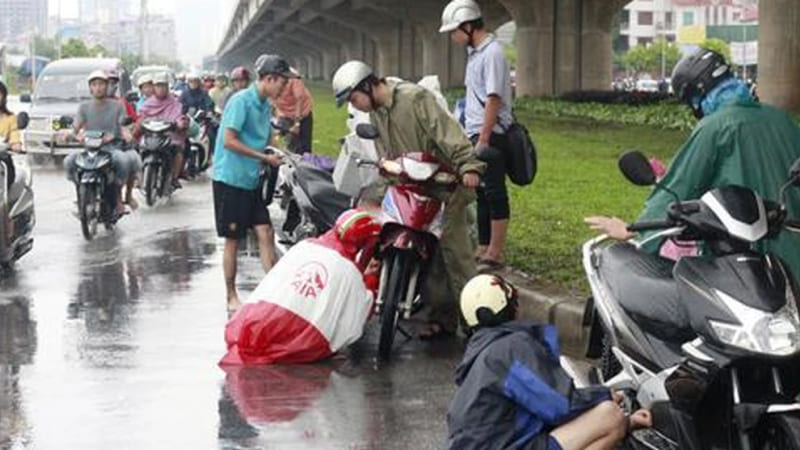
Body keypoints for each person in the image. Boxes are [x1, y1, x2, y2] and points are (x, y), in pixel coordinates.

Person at [585, 48, 800, 285]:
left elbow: (681, 184)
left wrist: (637, 232)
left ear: (697, 95)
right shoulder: (782, 120)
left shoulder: (714, 128)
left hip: (745, 263)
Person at [332, 60, 484, 339]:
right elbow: (386, 154)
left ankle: (477, 323)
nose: (356, 106)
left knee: (455, 254)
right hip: (412, 185)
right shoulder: (376, 114)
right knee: (430, 255)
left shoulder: (414, 98)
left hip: (445, 185)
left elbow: (448, 134)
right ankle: (443, 319)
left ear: (367, 85)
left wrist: (468, 166)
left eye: (354, 99)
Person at [447, 274, 652, 450]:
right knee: (610, 416)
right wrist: (607, 396)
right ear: (511, 306)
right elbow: (560, 405)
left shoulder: (482, 354)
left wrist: (629, 422)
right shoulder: (510, 347)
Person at [220, 209, 380, 365]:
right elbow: (357, 313)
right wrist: (371, 279)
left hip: (255, 321)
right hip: (296, 333)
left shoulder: (304, 246)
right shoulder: (348, 271)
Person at [212, 54, 292, 312]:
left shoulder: (264, 105)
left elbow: (268, 137)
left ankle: (274, 291)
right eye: (282, 82)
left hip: (251, 179)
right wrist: (263, 158)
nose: (284, 87)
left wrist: (281, 153)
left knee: (265, 231)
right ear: (269, 79)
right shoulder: (241, 101)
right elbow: (229, 141)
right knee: (233, 239)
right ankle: (230, 295)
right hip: (231, 179)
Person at [440, 0, 514, 271]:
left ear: (469, 26)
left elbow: (493, 99)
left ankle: (495, 252)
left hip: (491, 135)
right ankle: (483, 247)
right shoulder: (476, 54)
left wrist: (483, 139)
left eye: (454, 31)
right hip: (475, 133)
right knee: (481, 193)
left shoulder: (492, 52)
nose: (452, 37)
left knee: (495, 193)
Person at [63, 70, 137, 215]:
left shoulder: (118, 106)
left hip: (111, 147)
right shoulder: (84, 107)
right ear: (90, 88)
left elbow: (123, 126)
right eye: (94, 84)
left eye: (101, 84)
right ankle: (81, 196)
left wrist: (126, 134)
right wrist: (70, 134)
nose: (98, 87)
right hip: (90, 149)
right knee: (69, 161)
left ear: (107, 86)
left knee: (121, 160)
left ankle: (117, 197)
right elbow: (76, 126)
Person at [135, 72, 190, 190]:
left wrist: (180, 123)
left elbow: (179, 116)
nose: (161, 89)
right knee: (136, 148)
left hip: (170, 135)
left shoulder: (175, 103)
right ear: (154, 87)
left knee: (178, 150)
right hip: (151, 135)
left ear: (168, 87)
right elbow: (141, 117)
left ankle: (174, 177)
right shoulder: (148, 103)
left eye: (163, 86)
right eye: (158, 86)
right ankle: (138, 177)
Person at [273, 68, 314, 154]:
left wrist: (296, 124)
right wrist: (279, 120)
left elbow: (299, 100)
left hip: (302, 112)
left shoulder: (294, 77)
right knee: (289, 142)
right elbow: (273, 103)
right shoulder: (272, 79)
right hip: (285, 113)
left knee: (304, 145)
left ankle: (304, 162)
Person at [0, 80, 22, 183]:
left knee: (6, 162)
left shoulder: (10, 118)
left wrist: (15, 144)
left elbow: (14, 132)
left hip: (2, 156)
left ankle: (4, 194)